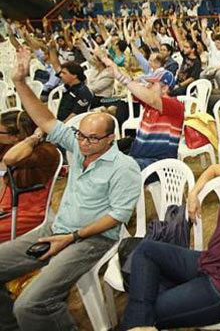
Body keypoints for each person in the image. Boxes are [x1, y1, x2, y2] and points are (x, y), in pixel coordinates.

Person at [0, 46, 141, 331]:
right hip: (56, 229)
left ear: (110, 139)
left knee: (32, 303)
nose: (83, 143)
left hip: (92, 239)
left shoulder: (125, 168)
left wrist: (71, 237)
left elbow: (115, 218)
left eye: (92, 139)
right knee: (22, 304)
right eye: (80, 136)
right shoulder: (78, 146)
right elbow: (45, 120)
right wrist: (19, 82)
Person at [121, 135, 220, 330]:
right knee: (146, 251)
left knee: (149, 309)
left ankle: (136, 323)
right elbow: (213, 169)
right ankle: (139, 322)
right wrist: (193, 193)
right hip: (208, 261)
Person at [98, 51, 184, 170]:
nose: (147, 86)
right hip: (138, 156)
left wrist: (120, 77)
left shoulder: (175, 105)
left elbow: (152, 98)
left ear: (165, 88)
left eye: (152, 84)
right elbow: (137, 90)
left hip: (158, 164)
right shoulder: (150, 102)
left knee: (113, 169)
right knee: (102, 154)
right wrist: (113, 68)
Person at [0, 110, 60, 242]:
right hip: (6, 209)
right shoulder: (7, 146)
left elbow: (10, 159)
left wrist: (35, 137)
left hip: (26, 213)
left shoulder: (43, 153)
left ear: (16, 135)